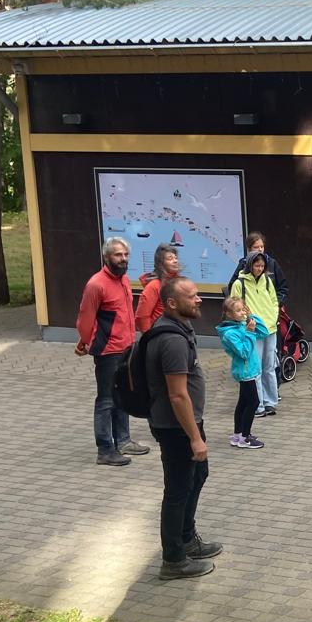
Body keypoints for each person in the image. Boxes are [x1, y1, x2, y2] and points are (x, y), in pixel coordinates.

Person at [146, 276, 223, 580]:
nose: (199, 299)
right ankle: (174, 559)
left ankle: (187, 538)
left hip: (186, 424)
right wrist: (195, 437)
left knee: (197, 475)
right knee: (177, 490)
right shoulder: (172, 340)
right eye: (191, 296)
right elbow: (177, 395)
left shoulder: (180, 328)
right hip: (176, 428)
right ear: (172, 303)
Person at [74, 237, 151, 467]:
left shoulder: (124, 279)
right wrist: (84, 341)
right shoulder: (96, 284)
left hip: (127, 347)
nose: (123, 259)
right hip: (108, 351)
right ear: (106, 257)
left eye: (126, 254)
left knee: (122, 395)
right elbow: (85, 317)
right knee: (106, 400)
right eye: (118, 255)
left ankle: (123, 441)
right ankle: (105, 450)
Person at [229, 251, 281, 417]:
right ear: (250, 265)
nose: (260, 269)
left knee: (269, 366)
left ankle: (270, 402)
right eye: (257, 265)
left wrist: (273, 316)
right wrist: (247, 321)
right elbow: (235, 306)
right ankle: (258, 406)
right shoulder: (240, 283)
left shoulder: (267, 280)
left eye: (262, 266)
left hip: (270, 328)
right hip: (252, 329)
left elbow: (274, 301)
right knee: (255, 368)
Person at [215, 297, 265, 450]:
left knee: (243, 403)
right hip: (245, 372)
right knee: (253, 402)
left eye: (243, 309)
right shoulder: (230, 334)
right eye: (238, 310)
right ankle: (245, 438)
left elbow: (264, 331)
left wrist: (251, 317)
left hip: (250, 370)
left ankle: (238, 435)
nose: (242, 312)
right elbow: (244, 352)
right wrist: (249, 332)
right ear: (229, 314)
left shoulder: (242, 324)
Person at [225, 229, 289, 307]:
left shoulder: (272, 263)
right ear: (249, 249)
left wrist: (275, 304)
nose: (260, 249)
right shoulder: (243, 264)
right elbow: (232, 287)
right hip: (249, 309)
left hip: (268, 309)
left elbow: (283, 288)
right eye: (256, 247)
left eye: (262, 246)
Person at [135, 243, 182, 333]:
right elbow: (141, 317)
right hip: (160, 334)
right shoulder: (154, 285)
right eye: (170, 258)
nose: (175, 261)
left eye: (175, 258)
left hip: (177, 332)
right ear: (161, 263)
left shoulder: (177, 282)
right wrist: (150, 336)